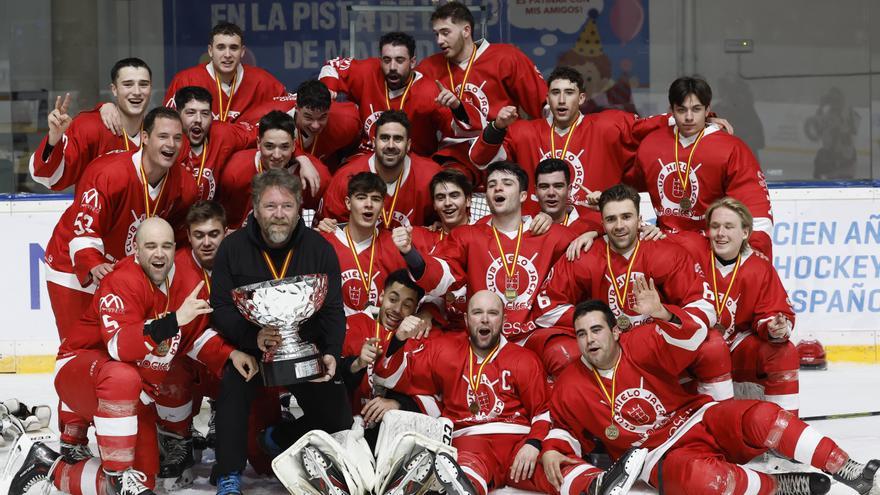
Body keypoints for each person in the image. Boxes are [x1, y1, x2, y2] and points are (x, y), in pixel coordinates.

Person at [9, 217, 256, 495]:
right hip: (80, 372)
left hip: (132, 395)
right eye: (150, 246)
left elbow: (193, 337)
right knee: (121, 375)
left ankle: (48, 467)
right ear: (136, 251)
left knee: (145, 479)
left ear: (176, 249)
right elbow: (118, 347)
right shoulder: (122, 280)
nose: (159, 253)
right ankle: (118, 474)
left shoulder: (185, 281)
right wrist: (173, 320)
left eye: (166, 246)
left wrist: (230, 354)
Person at [543, 298, 880, 495]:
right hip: (654, 456)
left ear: (616, 330)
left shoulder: (641, 342)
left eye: (597, 329)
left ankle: (848, 469)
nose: (589, 340)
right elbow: (559, 428)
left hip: (696, 416)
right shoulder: (571, 384)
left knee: (765, 417)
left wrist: (662, 313)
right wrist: (550, 451)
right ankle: (777, 486)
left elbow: (693, 336)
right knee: (706, 481)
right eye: (582, 334)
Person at [373, 290, 647, 495]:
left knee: (552, 467)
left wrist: (534, 444)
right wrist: (398, 339)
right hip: (471, 443)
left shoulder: (523, 358)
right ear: (467, 319)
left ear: (503, 318)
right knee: (464, 468)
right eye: (478, 313)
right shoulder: (444, 350)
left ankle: (598, 483)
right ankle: (460, 486)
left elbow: (543, 411)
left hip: (518, 445)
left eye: (492, 313)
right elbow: (389, 375)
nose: (485, 319)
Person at [209, 168, 353, 493]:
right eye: (270, 206)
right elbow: (221, 308)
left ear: (300, 207)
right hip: (254, 351)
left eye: (287, 206)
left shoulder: (320, 248)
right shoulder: (232, 249)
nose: (279, 215)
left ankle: (279, 437)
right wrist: (252, 338)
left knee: (339, 418)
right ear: (256, 208)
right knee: (233, 383)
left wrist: (330, 352)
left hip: (306, 348)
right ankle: (229, 472)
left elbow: (332, 309)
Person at [531, 184, 730, 393]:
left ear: (639, 218)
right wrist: (597, 325)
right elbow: (547, 307)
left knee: (713, 346)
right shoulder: (585, 255)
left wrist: (664, 314)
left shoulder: (665, 252)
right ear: (602, 222)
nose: (619, 225)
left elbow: (704, 305)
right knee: (559, 351)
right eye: (611, 219)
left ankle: (719, 417)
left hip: (654, 340)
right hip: (606, 344)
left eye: (626, 217)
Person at [393, 161, 576, 374]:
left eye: (506, 183)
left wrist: (592, 232)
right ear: (487, 196)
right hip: (482, 335)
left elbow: (603, 245)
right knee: (425, 355)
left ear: (524, 195)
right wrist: (410, 253)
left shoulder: (552, 234)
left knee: (566, 355)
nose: (498, 188)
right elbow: (443, 274)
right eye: (491, 185)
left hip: (532, 333)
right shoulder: (467, 236)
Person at [44, 106, 197, 347]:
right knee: (82, 348)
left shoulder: (185, 185)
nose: (171, 144)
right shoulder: (108, 173)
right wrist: (93, 263)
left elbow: (178, 237)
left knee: (126, 344)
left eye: (178, 138)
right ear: (145, 138)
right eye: (163, 136)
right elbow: (83, 229)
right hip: (72, 265)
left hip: (123, 272)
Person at [469, 66, 668, 221]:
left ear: (581, 98)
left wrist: (685, 119)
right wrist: (497, 127)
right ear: (547, 98)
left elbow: (649, 126)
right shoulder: (523, 133)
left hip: (594, 232)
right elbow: (479, 160)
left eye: (569, 93)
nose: (562, 100)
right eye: (555, 93)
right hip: (538, 232)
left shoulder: (607, 127)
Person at [674, 197, 799, 414]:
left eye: (729, 227)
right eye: (715, 226)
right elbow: (650, 243)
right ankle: (714, 425)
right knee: (711, 346)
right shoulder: (690, 250)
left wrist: (775, 327)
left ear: (745, 233)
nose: (720, 233)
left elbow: (772, 311)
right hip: (698, 348)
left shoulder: (759, 267)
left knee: (784, 351)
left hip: (736, 347)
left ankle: (783, 430)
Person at [632, 76, 774, 257]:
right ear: (671, 111)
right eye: (681, 110)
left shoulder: (731, 148)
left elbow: (755, 203)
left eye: (696, 109)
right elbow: (626, 188)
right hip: (665, 247)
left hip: (713, 250)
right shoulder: (651, 144)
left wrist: (756, 248)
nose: (689, 117)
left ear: (708, 110)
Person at [416, 1, 549, 184]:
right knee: (445, 186)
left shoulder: (506, 57)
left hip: (503, 148)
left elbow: (543, 106)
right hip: (455, 156)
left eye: (445, 33)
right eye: (436, 34)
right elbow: (419, 125)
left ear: (466, 30)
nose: (439, 40)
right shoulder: (428, 68)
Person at [152, 200, 228, 486]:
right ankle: (177, 438)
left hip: (225, 357)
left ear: (225, 232)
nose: (206, 242)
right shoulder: (172, 266)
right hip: (186, 357)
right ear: (188, 234)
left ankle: (226, 424)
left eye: (213, 234)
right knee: (167, 360)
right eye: (199, 235)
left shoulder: (239, 259)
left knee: (259, 458)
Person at [319, 31, 482, 157]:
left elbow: (469, 130)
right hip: (368, 158)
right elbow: (332, 66)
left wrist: (456, 106)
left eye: (399, 60)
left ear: (412, 62)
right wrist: (327, 88)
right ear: (380, 60)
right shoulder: (368, 71)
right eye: (387, 60)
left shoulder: (429, 91)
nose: (392, 67)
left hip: (413, 161)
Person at [29, 58, 152, 191]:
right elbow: (47, 178)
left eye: (144, 84)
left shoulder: (158, 132)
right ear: (114, 89)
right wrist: (54, 139)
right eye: (128, 84)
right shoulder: (88, 127)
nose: (137, 92)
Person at [340, 270, 428, 443]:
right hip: (345, 429)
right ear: (381, 296)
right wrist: (357, 364)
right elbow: (331, 382)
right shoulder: (352, 325)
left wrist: (397, 404)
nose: (396, 309)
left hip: (390, 437)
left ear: (416, 309)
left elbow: (427, 392)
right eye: (393, 299)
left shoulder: (418, 341)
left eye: (406, 305)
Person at [320, 110, 441, 229]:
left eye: (398, 138)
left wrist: (441, 225)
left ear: (408, 144)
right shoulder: (346, 177)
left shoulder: (431, 175)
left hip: (412, 248)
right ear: (373, 142)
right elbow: (327, 230)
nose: (391, 145)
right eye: (384, 138)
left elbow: (447, 222)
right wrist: (327, 227)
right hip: (362, 248)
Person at [218, 110, 330, 227]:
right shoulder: (235, 171)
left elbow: (322, 221)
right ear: (258, 143)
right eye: (269, 146)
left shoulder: (316, 174)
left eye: (284, 147)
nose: (277, 155)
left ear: (293, 146)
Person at [318, 172, 407, 315]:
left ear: (383, 206)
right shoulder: (323, 243)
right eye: (361, 198)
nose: (369, 205)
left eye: (376, 199)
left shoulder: (394, 246)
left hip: (378, 333)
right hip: (333, 333)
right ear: (348, 203)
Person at [164, 22, 286, 122]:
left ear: (242, 52)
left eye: (233, 48)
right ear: (210, 51)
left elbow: (291, 110)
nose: (227, 55)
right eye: (221, 47)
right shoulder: (186, 80)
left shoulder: (262, 81)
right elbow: (167, 124)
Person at [237, 79, 361, 170]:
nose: (315, 125)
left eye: (322, 117)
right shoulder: (263, 117)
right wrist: (302, 157)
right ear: (297, 108)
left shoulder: (348, 122)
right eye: (308, 117)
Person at [174, 86, 257, 200]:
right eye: (191, 113)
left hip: (209, 215)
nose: (198, 119)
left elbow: (264, 134)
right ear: (177, 115)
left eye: (205, 113)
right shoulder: (169, 144)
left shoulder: (222, 134)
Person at [534, 158, 602, 235]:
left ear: (569, 190)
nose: (551, 193)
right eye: (544, 186)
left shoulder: (591, 224)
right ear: (536, 191)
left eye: (558, 186)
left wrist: (604, 209)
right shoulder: (526, 227)